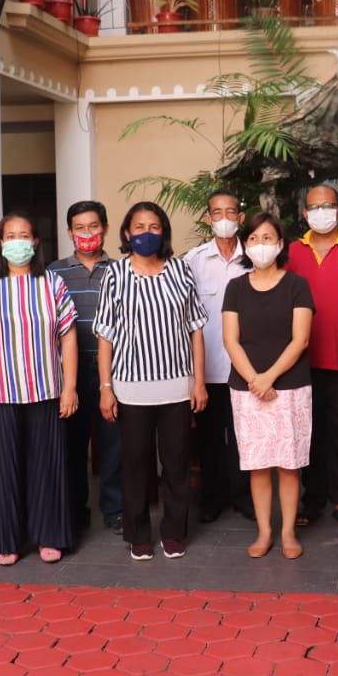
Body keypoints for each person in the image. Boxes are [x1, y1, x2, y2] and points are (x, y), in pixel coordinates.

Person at [94, 202, 209, 561]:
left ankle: (174, 532)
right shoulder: (115, 274)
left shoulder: (180, 271)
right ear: (127, 234)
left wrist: (199, 382)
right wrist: (105, 388)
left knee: (176, 465)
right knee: (135, 466)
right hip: (130, 388)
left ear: (164, 232)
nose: (147, 233)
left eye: (154, 227)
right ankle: (138, 534)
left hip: (177, 386)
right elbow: (105, 335)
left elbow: (196, 329)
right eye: (139, 227)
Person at [0, 213, 78, 566]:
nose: (17, 242)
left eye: (24, 235)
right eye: (10, 236)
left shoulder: (52, 284)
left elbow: (68, 335)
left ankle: (49, 536)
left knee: (46, 466)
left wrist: (70, 387)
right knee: (4, 469)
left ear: (36, 242)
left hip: (46, 390)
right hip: (0, 393)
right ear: (1, 243)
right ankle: (8, 540)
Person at [222, 213, 315, 559]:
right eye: (253, 239)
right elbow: (231, 340)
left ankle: (289, 532)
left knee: (289, 464)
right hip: (247, 389)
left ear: (280, 244)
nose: (260, 245)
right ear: (245, 245)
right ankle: (264, 531)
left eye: (267, 238)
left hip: (290, 387)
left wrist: (269, 377)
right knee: (258, 464)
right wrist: (254, 380)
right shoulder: (235, 288)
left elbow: (300, 339)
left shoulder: (297, 285)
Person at [289, 185, 338, 529]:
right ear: (305, 213)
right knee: (309, 433)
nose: (321, 212)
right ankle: (312, 499)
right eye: (314, 207)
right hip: (301, 360)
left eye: (328, 206)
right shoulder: (291, 251)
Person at [48, 200, 124, 536]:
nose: (87, 233)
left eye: (94, 226)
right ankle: (76, 508)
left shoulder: (122, 271)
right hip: (70, 375)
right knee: (72, 444)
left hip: (112, 372)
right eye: (80, 228)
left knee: (114, 444)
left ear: (105, 229)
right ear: (69, 232)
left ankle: (115, 509)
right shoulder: (53, 273)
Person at [185, 190, 250, 523]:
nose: (225, 219)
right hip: (207, 368)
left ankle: (245, 497)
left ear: (241, 217)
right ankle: (212, 498)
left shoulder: (255, 256)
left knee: (245, 436)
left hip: (247, 368)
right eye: (217, 213)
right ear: (207, 218)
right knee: (209, 438)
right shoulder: (193, 261)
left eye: (231, 212)